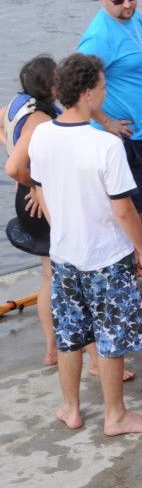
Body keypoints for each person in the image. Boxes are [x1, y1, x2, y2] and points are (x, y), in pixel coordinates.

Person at [28, 53, 142, 435]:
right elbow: (123, 211)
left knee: (70, 334)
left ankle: (71, 408)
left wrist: (60, 226)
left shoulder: (43, 136)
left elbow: (38, 185)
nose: (105, 92)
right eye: (102, 87)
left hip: (65, 254)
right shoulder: (105, 146)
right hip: (105, 255)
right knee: (111, 336)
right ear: (87, 93)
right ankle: (115, 415)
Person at [77, 0, 142, 218]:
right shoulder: (97, 38)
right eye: (119, 0)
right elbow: (76, 88)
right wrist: (106, 122)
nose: (127, 4)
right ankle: (136, 257)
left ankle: (139, 254)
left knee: (139, 207)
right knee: (125, 210)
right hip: (122, 139)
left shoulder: (133, 17)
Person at [3, 55, 61, 365]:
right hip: (39, 202)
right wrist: (33, 183)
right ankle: (90, 358)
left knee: (49, 276)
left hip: (28, 200)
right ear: (52, 87)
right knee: (66, 277)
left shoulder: (18, 103)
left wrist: (12, 146)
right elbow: (12, 168)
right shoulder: (41, 120)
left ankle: (51, 348)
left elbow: (2, 124)